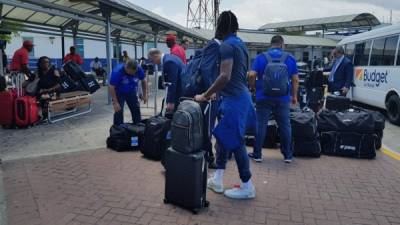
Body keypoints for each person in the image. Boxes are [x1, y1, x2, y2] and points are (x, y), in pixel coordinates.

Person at [194, 11, 256, 199]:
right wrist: (217, 94)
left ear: (220, 26)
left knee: (236, 143)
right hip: (239, 98)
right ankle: (218, 179)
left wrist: (206, 94)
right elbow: (240, 75)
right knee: (223, 138)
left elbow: (225, 76)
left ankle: (247, 186)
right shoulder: (241, 45)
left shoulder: (226, 46)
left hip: (234, 101)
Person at [248, 35, 299, 163]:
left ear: (271, 44)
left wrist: (253, 87)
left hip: (263, 96)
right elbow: (295, 80)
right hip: (282, 98)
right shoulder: (290, 58)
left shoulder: (261, 57)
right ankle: (287, 155)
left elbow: (252, 74)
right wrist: (294, 96)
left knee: (261, 125)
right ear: (282, 44)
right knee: (285, 126)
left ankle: (258, 154)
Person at [109, 60, 148, 125]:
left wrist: (145, 94)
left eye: (134, 73)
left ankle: (138, 127)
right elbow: (111, 87)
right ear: (126, 68)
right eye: (131, 72)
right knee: (118, 111)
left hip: (131, 91)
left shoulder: (138, 69)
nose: (133, 74)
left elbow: (143, 80)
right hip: (119, 92)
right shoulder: (117, 71)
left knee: (136, 109)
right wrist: (115, 102)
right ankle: (118, 129)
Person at [148, 48, 185, 112]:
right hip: (180, 91)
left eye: (152, 60)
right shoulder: (169, 58)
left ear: (155, 56)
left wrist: (171, 101)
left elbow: (172, 83)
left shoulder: (169, 62)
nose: (153, 63)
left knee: (174, 116)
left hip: (179, 93)